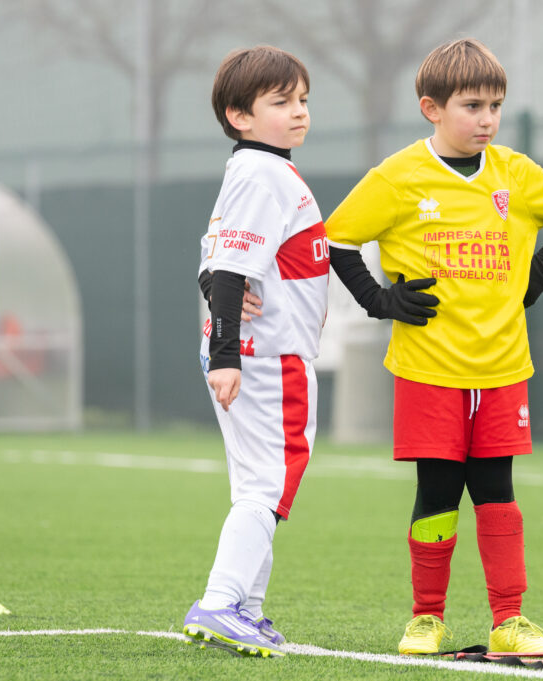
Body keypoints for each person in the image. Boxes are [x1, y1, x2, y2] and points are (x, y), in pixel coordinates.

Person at [324, 38, 543, 655]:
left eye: (495, 106)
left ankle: (509, 620)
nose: (487, 119)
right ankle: (426, 618)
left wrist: (539, 274)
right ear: (432, 108)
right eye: (472, 106)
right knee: (438, 493)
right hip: (429, 369)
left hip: (502, 368)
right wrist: (379, 301)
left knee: (498, 495)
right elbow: (337, 239)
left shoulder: (514, 172)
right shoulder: (398, 176)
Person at [183, 45, 329, 659]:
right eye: (281, 101)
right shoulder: (263, 174)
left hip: (258, 353)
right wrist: (226, 356)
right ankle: (221, 602)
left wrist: (222, 342)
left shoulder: (253, 170)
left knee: (256, 485)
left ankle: (245, 607)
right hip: (270, 357)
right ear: (239, 115)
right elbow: (227, 270)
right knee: (268, 484)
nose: (298, 111)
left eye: (303, 100)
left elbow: (215, 261)